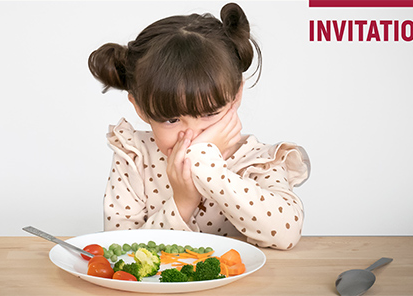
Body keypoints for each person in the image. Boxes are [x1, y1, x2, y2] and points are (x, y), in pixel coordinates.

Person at [88, 3, 310, 250]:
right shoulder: (134, 157)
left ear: (236, 95)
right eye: (171, 120)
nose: (192, 136)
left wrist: (209, 169)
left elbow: (285, 234)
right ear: (140, 108)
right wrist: (183, 202)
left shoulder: (257, 161)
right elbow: (122, 251)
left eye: (209, 114)